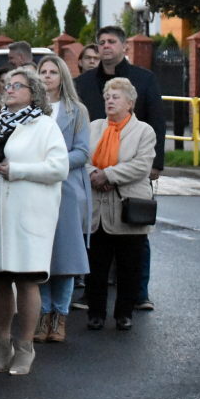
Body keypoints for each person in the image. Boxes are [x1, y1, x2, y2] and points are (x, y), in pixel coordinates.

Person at [0, 64, 67, 375]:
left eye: (17, 86)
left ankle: (25, 346)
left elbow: (59, 168)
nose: (9, 90)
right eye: (8, 85)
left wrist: (19, 170)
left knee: (26, 280)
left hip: (30, 215)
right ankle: (3, 344)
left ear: (33, 93)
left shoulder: (45, 126)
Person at [74, 25, 165, 312]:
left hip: (131, 167)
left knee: (135, 237)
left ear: (124, 46)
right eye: (101, 42)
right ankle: (92, 298)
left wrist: (156, 164)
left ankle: (139, 293)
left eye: (111, 41)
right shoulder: (84, 82)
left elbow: (157, 121)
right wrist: (92, 173)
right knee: (97, 244)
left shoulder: (144, 78)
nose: (105, 46)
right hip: (94, 169)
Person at [86, 78, 157, 330]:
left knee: (129, 265)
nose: (110, 101)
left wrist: (108, 175)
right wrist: (94, 174)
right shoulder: (94, 127)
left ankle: (124, 313)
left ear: (130, 103)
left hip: (129, 208)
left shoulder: (144, 131)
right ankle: (95, 313)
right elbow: (82, 158)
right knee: (96, 265)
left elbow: (141, 166)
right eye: (107, 97)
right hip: (97, 209)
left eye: (116, 97)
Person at [35, 55, 91, 345]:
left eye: (52, 72)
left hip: (66, 187)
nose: (47, 76)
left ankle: (60, 316)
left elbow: (82, 152)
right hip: (36, 188)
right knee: (40, 254)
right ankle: (43, 314)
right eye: (42, 71)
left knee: (66, 255)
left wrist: (53, 164)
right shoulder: (32, 111)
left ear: (62, 77)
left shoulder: (76, 110)